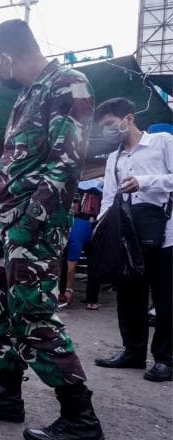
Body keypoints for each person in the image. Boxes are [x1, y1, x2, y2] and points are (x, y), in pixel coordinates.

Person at [0, 19, 105, 440]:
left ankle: (79, 416)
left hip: (36, 224)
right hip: (8, 221)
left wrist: (28, 223)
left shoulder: (68, 85)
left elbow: (66, 164)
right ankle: (6, 396)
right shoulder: (24, 97)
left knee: (34, 310)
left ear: (4, 57)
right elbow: (14, 169)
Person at [92, 98, 172, 382]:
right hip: (127, 236)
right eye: (104, 128)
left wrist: (146, 181)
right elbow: (109, 198)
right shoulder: (114, 158)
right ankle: (133, 351)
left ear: (128, 118)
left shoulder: (162, 142)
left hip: (165, 235)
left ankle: (165, 359)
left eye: (111, 124)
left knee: (165, 299)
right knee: (129, 295)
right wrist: (101, 230)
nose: (108, 131)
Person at [58, 186, 102, 310]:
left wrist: (69, 290)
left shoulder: (72, 235)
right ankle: (90, 300)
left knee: (73, 263)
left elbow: (72, 267)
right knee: (93, 265)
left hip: (87, 229)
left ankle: (68, 294)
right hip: (92, 223)